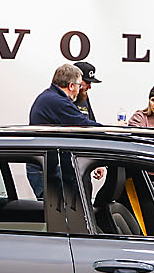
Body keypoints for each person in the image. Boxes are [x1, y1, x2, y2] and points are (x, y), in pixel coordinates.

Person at [27, 62, 101, 198]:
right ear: (71, 86)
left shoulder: (51, 97)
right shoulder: (58, 102)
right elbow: (84, 125)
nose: (80, 90)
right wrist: (115, 130)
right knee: (60, 215)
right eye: (79, 85)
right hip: (46, 168)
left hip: (48, 165)